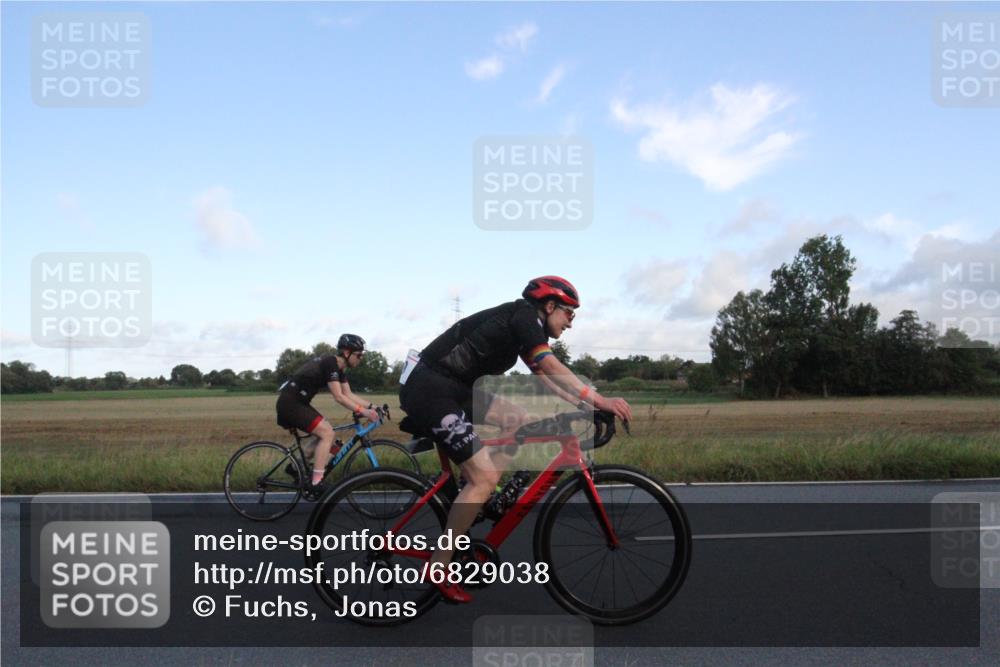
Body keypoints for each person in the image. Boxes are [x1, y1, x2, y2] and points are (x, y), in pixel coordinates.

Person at [399, 276, 633, 603]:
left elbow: (544, 375)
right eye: (569, 313)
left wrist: (584, 406)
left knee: (517, 419)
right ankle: (439, 565)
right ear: (549, 305)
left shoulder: (524, 325)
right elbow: (549, 364)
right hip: (432, 390)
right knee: (483, 477)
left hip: (455, 390)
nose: (570, 322)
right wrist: (600, 399)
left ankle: (482, 493)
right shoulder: (524, 316)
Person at [276, 334, 380, 495]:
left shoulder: (339, 369)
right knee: (327, 433)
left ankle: (295, 468)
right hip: (290, 404)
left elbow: (349, 395)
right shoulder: (330, 363)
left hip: (298, 403)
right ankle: (316, 482)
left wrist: (374, 407)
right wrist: (363, 411)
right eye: (359, 355)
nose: (360, 359)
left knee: (328, 437)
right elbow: (339, 397)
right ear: (347, 352)